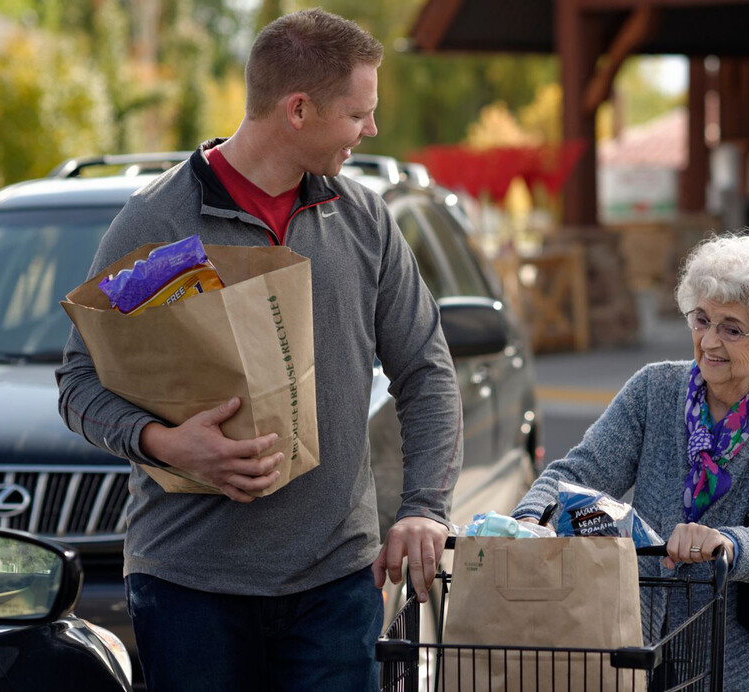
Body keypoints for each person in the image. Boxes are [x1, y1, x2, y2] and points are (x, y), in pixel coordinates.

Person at [56, 10, 459, 692]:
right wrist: (164, 442)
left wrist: (424, 506)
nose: (371, 131)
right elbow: (78, 383)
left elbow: (426, 371)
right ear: (298, 109)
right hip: (188, 588)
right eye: (359, 114)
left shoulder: (363, 220)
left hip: (335, 586)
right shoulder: (159, 222)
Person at [513, 231, 749, 692]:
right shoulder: (654, 389)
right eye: (701, 320)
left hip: (742, 666)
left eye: (732, 328)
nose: (709, 342)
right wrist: (531, 517)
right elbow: (576, 473)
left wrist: (725, 543)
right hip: (638, 645)